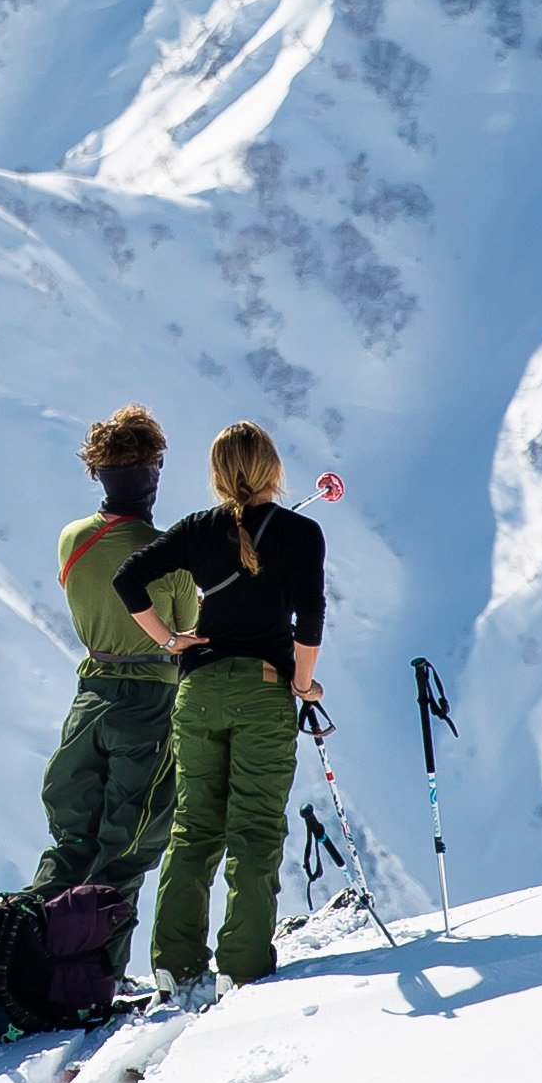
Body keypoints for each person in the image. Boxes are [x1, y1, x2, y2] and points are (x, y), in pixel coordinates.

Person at [115, 424, 326, 1004]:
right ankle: (244, 965)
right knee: (254, 828)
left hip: (198, 691)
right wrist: (303, 686)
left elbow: (128, 577)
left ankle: (174, 964)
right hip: (262, 692)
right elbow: (309, 619)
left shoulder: (197, 530)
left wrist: (168, 640)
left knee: (193, 829)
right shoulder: (302, 532)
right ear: (273, 470)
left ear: (216, 474)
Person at [34, 405, 190, 964]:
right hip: (149, 705)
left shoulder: (71, 538)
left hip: (89, 698)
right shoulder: (168, 553)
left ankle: (30, 958)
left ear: (99, 472)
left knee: (73, 837)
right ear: (152, 472)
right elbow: (182, 633)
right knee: (126, 845)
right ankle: (99, 973)